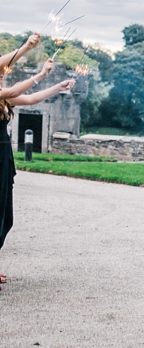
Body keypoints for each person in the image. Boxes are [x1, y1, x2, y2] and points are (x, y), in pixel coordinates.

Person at [1, 44, 75, 292]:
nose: (3, 73)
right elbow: (14, 89)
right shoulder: (4, 93)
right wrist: (33, 58)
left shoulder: (5, 98)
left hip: (2, 159)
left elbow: (31, 99)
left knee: (5, 217)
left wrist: (56, 85)